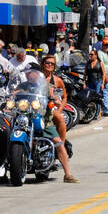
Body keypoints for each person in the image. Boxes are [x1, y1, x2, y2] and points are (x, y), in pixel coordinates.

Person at [39, 53, 78, 182]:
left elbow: (64, 96)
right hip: (34, 112)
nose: (49, 65)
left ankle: (67, 174)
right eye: (47, 63)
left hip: (49, 112)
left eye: (52, 64)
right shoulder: (36, 78)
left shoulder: (56, 80)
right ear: (42, 64)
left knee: (59, 119)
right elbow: (23, 89)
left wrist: (60, 107)